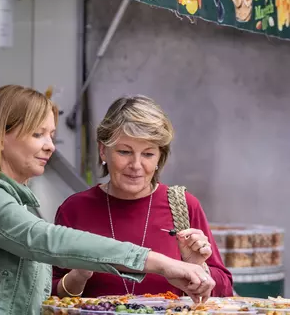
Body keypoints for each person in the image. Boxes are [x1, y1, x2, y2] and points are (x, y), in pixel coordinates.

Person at [0, 86, 215, 315]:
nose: (50, 145)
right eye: (38, 134)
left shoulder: (16, 202)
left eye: (51, 134)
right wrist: (164, 263)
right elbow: (44, 239)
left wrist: (193, 266)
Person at [52, 95, 233, 298]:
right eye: (124, 152)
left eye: (148, 154)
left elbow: (225, 291)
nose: (136, 165)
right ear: (103, 151)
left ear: (159, 156)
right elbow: (45, 294)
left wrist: (198, 267)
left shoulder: (183, 205)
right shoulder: (74, 209)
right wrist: (78, 276)